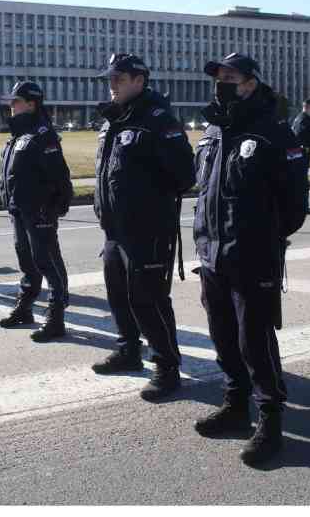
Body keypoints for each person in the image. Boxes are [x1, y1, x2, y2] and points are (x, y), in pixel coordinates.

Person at [193, 52, 307, 466]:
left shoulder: (274, 132)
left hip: (252, 258)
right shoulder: (212, 131)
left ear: (252, 83)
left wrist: (261, 241)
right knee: (223, 336)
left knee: (254, 341)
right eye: (218, 77)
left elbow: (294, 207)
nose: (223, 83)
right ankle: (235, 406)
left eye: (232, 77)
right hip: (212, 255)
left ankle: (271, 420)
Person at [91, 53, 195, 401]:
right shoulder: (114, 120)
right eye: (110, 79)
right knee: (118, 295)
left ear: (139, 80)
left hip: (147, 230)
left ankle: (167, 367)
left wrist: (147, 201)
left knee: (149, 300)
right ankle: (129, 351)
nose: (112, 85)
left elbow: (184, 175)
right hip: (114, 229)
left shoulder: (158, 119)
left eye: (118, 79)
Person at [0, 81, 73, 341]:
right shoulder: (19, 133)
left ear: (31, 103)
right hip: (19, 208)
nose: (11, 105)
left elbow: (60, 177)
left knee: (48, 262)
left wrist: (53, 208)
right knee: (27, 262)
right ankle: (25, 307)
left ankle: (56, 315)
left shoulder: (43, 135)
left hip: (38, 211)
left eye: (16, 101)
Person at [292, 99, 310, 214]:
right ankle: (303, 206)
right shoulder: (304, 120)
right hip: (301, 153)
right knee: (302, 181)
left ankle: (299, 205)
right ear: (308, 107)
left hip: (297, 154)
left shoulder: (299, 118)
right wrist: (309, 146)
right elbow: (301, 137)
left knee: (299, 180)